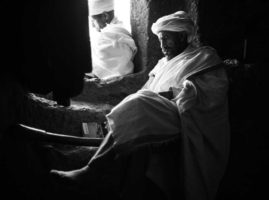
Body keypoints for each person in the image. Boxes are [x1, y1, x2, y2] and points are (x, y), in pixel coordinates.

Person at [50, 11, 230, 200]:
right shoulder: (162, 63)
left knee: (141, 103)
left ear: (183, 36)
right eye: (160, 39)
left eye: (167, 39)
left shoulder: (202, 56)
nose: (162, 45)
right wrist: (123, 113)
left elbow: (213, 90)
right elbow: (146, 90)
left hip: (183, 116)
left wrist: (182, 93)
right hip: (153, 113)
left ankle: (92, 170)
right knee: (138, 107)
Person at [87, 0, 137, 80]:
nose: (93, 26)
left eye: (93, 21)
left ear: (105, 16)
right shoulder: (120, 30)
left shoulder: (109, 36)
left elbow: (101, 69)